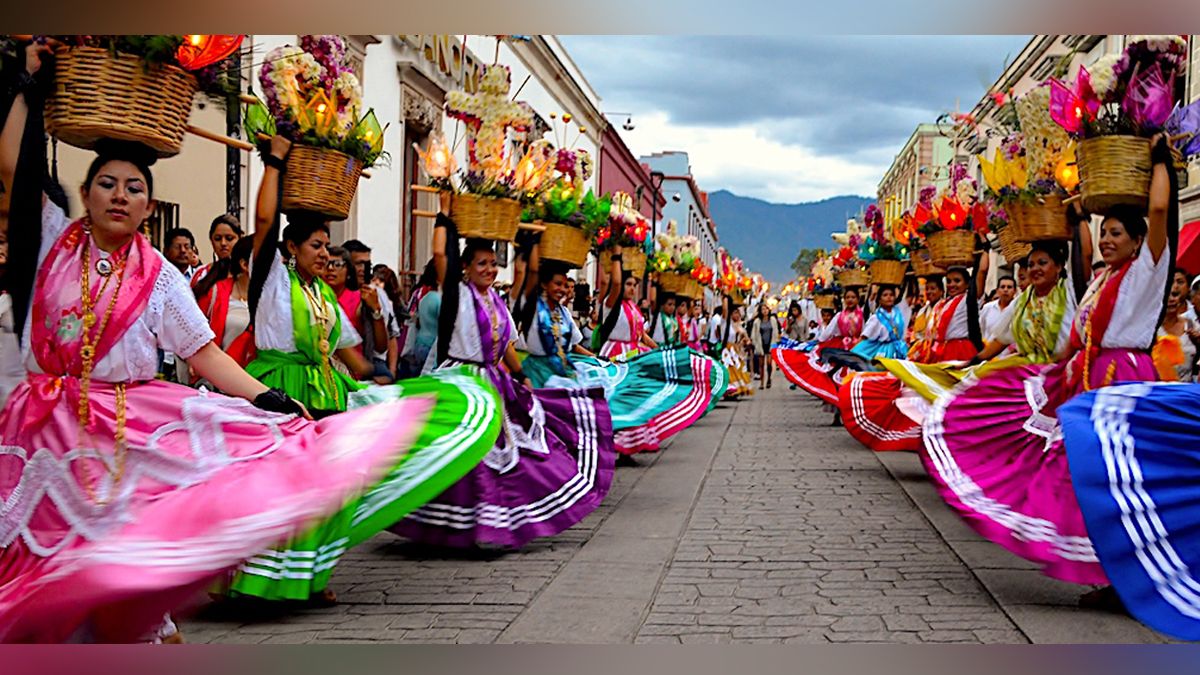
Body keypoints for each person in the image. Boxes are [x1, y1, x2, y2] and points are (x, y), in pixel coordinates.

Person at [0, 48, 481, 642]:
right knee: (31, 561)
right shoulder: (54, 242)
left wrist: (266, 399)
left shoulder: (161, 279)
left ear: (148, 206)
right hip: (41, 432)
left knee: (116, 565)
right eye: (107, 184)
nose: (119, 195)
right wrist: (26, 85)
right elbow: (12, 170)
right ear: (87, 191)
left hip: (118, 436)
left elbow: (204, 354)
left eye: (133, 188)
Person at [227, 135, 501, 603]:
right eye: (315, 245)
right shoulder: (272, 276)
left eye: (326, 246)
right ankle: (251, 581)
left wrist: (386, 384)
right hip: (278, 389)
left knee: (327, 490)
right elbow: (265, 220)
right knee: (277, 489)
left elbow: (352, 354)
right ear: (289, 247)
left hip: (327, 391)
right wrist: (274, 160)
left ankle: (308, 578)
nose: (324, 254)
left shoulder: (323, 293)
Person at [922, 132, 1175, 592]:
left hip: (1124, 381)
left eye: (1116, 233)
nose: (1107, 240)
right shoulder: (1103, 280)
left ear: (1140, 241)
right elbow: (1074, 338)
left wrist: (1159, 161)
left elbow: (1159, 211)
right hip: (1086, 377)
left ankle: (1128, 575)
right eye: (1105, 233)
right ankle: (1107, 574)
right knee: (1081, 475)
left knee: (1116, 482)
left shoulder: (1147, 271)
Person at [390, 214, 612, 549]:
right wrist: (445, 216)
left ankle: (494, 521)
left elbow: (507, 343)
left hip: (492, 380)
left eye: (494, 264)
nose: (490, 270)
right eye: (482, 264)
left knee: (510, 449)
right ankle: (459, 525)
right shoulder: (457, 294)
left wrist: (521, 376)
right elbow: (441, 256)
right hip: (460, 378)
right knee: (466, 450)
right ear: (464, 267)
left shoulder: (496, 300)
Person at [324, 245, 391, 384]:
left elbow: (381, 346)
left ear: (348, 271)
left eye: (337, 264)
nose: (330, 269)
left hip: (355, 372)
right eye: (326, 264)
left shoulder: (360, 298)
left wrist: (376, 310)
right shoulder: (315, 296)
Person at [192, 236, 256, 371]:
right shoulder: (216, 293)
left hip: (259, 377)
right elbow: (192, 335)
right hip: (220, 377)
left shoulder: (275, 298)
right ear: (245, 265)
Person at [1152, 270, 1197, 382]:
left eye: (1175, 295)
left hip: (1187, 391)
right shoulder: (1150, 329)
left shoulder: (1192, 325)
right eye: (1166, 295)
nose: (1171, 299)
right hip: (1160, 390)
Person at [190, 214, 242, 288]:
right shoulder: (201, 274)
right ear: (211, 240)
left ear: (240, 239)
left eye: (229, 238)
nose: (223, 243)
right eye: (218, 238)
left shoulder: (249, 275)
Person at [748, 301, 780, 389]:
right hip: (760, 344)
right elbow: (753, 334)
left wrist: (776, 341)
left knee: (769, 363)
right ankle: (762, 382)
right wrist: (754, 342)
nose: (765, 311)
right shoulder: (757, 322)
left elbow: (776, 331)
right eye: (762, 309)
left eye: (766, 309)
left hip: (770, 343)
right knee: (761, 365)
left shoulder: (773, 320)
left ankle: (769, 378)